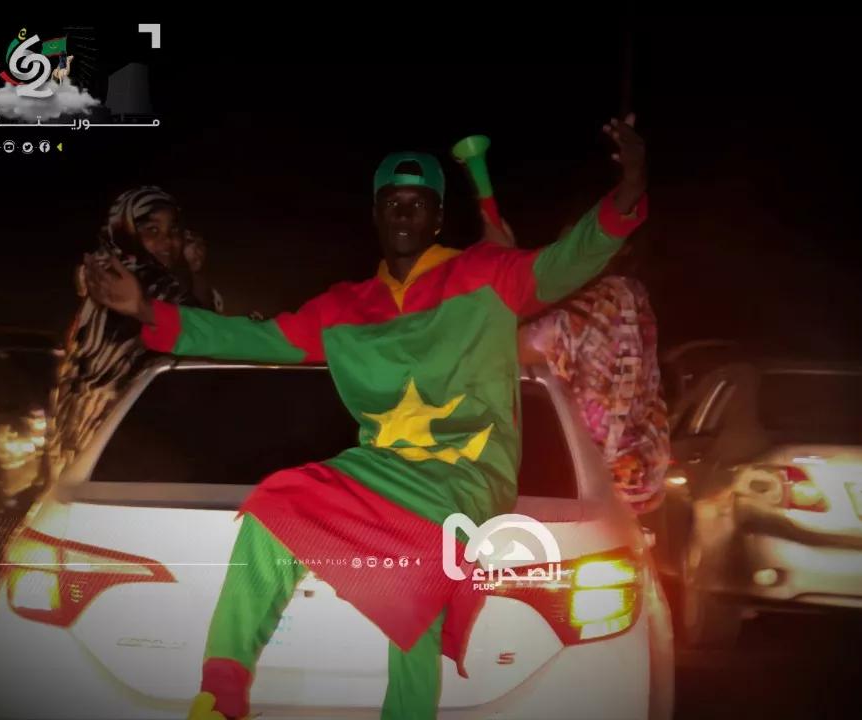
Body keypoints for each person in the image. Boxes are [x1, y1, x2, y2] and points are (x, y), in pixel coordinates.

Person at [83, 117, 648, 720]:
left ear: (436, 217)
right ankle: (220, 696)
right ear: (376, 214)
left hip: (468, 471)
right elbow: (258, 338)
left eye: (417, 203)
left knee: (423, 556)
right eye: (391, 203)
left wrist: (630, 188)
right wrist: (149, 310)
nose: (403, 213)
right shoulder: (344, 308)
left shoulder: (486, 276)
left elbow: (570, 258)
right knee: (276, 504)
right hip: (384, 468)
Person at [510, 117, 670, 514]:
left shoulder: (605, 302)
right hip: (632, 485)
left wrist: (502, 274)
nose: (564, 252)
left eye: (574, 242)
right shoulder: (632, 297)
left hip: (595, 484)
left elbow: (512, 348)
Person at [47, 186, 222, 478]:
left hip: (97, 432)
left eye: (174, 230)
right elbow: (206, 333)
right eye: (151, 230)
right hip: (118, 437)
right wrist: (195, 274)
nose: (168, 242)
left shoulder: (110, 273)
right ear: (125, 232)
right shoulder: (131, 282)